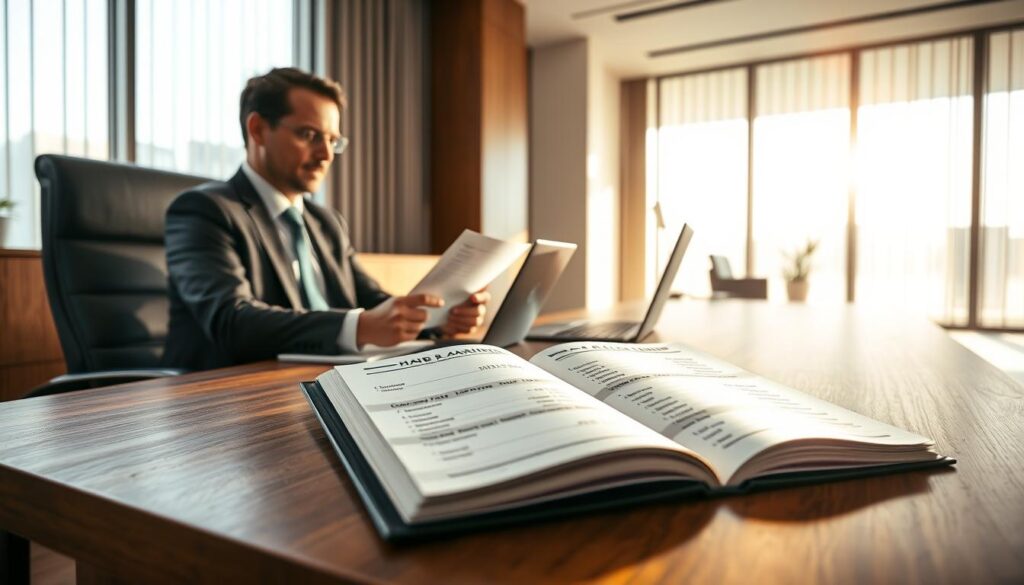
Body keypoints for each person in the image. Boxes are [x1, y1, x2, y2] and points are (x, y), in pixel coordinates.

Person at [162, 67, 488, 371]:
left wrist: (435, 318)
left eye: (333, 140)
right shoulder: (203, 210)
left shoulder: (326, 222)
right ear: (258, 129)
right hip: (230, 398)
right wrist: (359, 327)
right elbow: (231, 321)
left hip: (331, 378)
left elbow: (370, 300)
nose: (326, 154)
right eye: (310, 135)